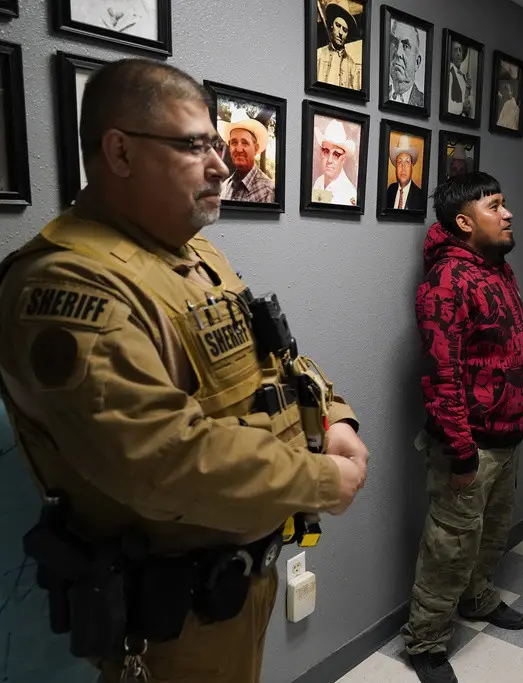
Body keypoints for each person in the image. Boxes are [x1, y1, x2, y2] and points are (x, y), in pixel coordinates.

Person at [0, 58, 369, 683]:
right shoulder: (65, 283)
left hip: (239, 583)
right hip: (168, 622)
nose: (221, 164)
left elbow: (274, 356)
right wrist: (322, 481)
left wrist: (333, 414)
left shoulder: (193, 254)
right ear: (119, 151)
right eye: (195, 145)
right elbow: (164, 460)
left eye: (218, 143)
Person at [401, 172, 523, 683]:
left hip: (506, 436)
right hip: (470, 447)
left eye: (505, 204)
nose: (507, 214)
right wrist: (460, 453)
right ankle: (426, 642)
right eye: (495, 207)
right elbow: (442, 376)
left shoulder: (497, 269)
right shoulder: (447, 282)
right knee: (450, 547)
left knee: (491, 534)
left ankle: (478, 598)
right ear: (464, 222)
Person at [219, 111, 275, 203]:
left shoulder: (267, 191)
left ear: (256, 149)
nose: (239, 149)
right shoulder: (225, 187)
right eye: (234, 142)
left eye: (245, 143)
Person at [312, 119, 358, 206]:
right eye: (326, 151)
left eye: (336, 154)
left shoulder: (349, 194)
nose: (329, 160)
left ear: (343, 159)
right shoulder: (319, 181)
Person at [316, 2, 362, 91]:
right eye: (338, 25)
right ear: (332, 26)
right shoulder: (319, 55)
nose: (340, 33)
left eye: (345, 30)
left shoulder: (353, 67)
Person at [388, 18, 424, 106]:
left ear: (417, 62)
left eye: (406, 46)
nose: (398, 53)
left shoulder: (423, 103)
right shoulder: (377, 94)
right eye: (394, 43)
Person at [386, 134, 425, 211]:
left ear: (412, 167)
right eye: (400, 162)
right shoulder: (390, 190)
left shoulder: (420, 196)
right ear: (396, 167)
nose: (403, 167)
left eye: (407, 162)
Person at [446, 41, 472, 118]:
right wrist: (462, 106)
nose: (458, 54)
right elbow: (447, 105)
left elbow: (464, 97)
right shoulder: (449, 74)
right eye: (455, 50)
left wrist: (468, 89)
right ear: (450, 54)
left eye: (460, 50)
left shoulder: (463, 76)